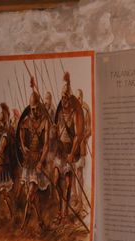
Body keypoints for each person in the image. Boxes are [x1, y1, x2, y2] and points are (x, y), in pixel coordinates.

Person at [53, 72, 84, 222]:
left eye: (66, 96)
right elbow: (56, 132)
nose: (63, 99)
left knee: (68, 183)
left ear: (69, 97)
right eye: (62, 96)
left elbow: (78, 135)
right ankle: (60, 209)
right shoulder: (59, 113)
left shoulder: (75, 113)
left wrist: (72, 153)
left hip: (69, 151)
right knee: (55, 180)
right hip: (60, 151)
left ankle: (64, 212)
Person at [18, 90, 51, 231]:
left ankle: (24, 226)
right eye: (33, 109)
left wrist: (40, 162)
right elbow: (20, 137)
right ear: (30, 107)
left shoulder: (45, 121)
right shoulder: (25, 122)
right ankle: (40, 221)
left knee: (30, 193)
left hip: (39, 162)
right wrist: (23, 146)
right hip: (29, 162)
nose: (35, 111)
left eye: (37, 108)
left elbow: (46, 145)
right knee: (34, 195)